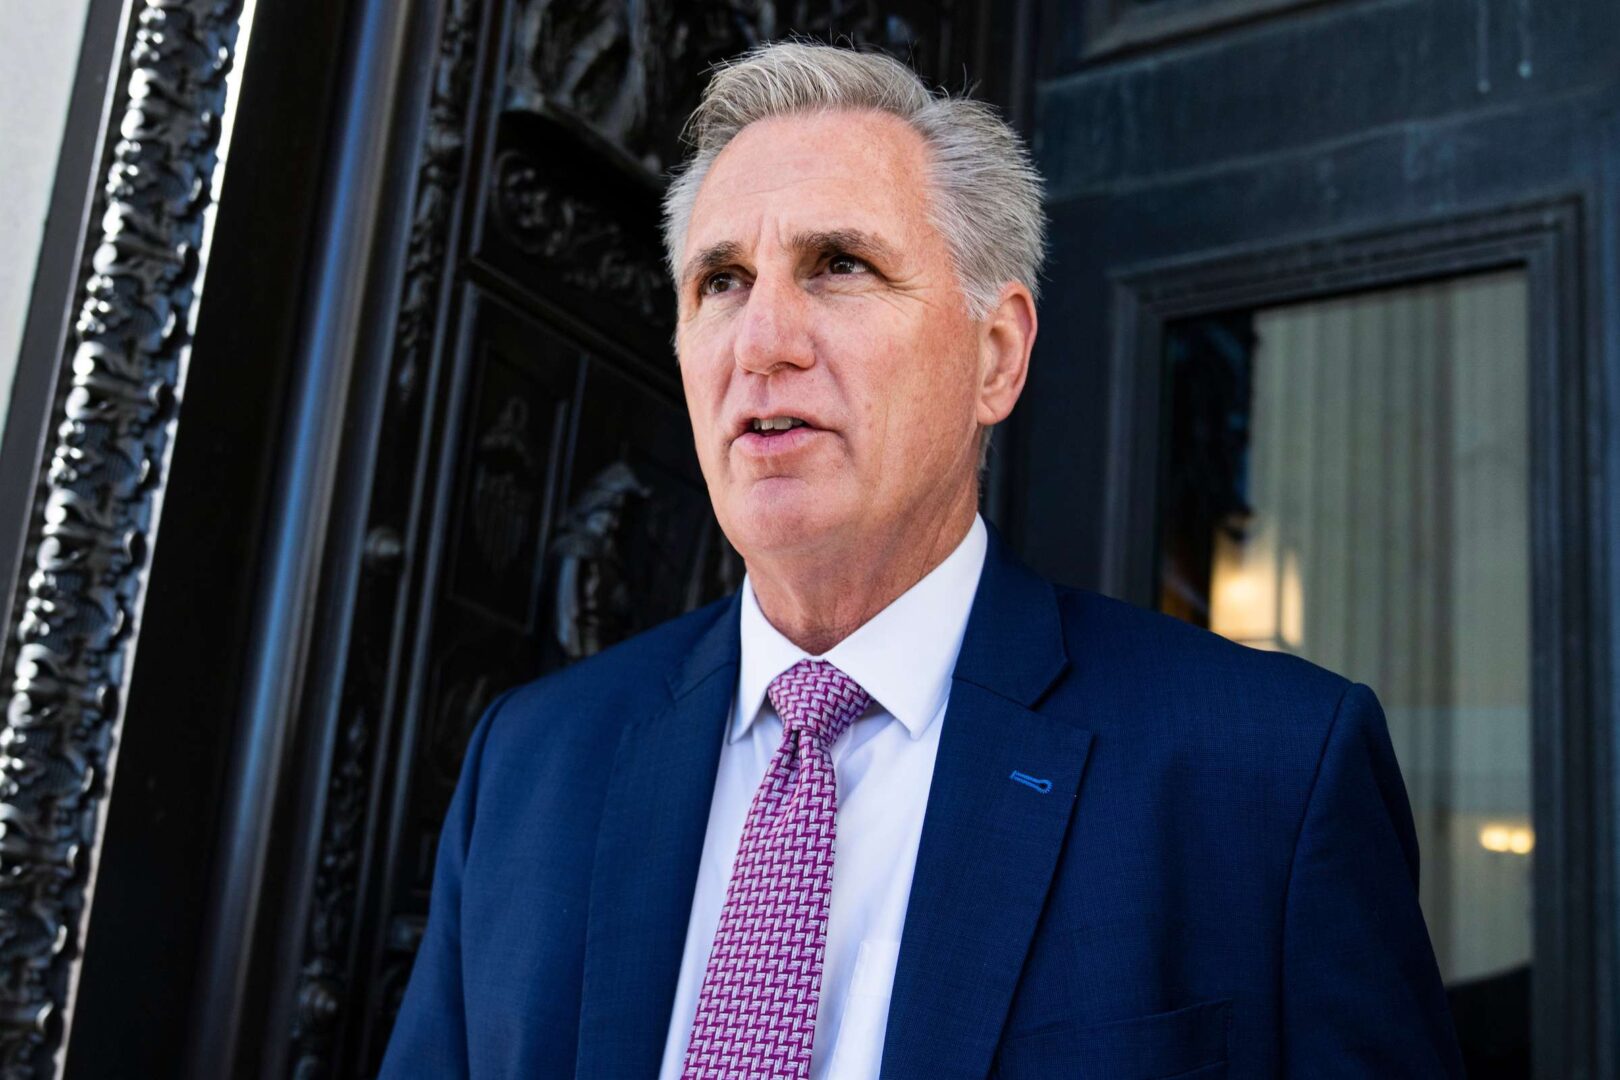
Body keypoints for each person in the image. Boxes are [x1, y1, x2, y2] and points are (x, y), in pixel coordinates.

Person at [378, 40, 1464, 1079]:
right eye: (721, 281)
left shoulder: (1267, 779)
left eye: (839, 265)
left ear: (997, 356)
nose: (763, 342)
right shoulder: (530, 767)